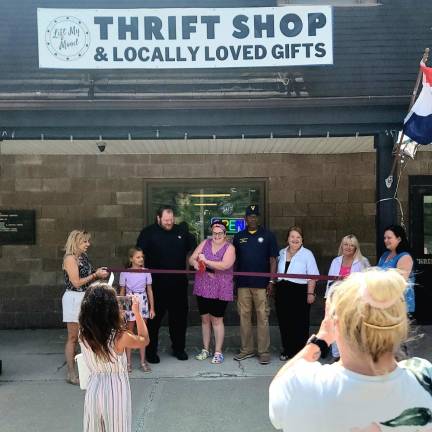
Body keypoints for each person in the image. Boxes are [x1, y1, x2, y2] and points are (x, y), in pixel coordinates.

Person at [269, 269, 432, 432]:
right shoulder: (425, 377)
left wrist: (322, 338)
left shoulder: (302, 386)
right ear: (401, 325)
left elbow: (277, 390)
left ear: (336, 323)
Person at [79, 283, 149, 432]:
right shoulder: (120, 337)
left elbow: (96, 309)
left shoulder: (83, 334)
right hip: (116, 390)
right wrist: (136, 312)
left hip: (93, 388)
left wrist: (103, 299)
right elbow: (145, 339)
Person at [136, 206, 196, 363]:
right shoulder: (148, 233)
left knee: (179, 319)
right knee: (153, 320)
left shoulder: (181, 232)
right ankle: (150, 352)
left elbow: (194, 248)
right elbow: (138, 255)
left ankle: (179, 349)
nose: (169, 223)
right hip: (155, 285)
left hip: (178, 285)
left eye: (171, 220)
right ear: (158, 218)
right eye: (166, 220)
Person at [233, 205, 278, 365]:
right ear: (245, 218)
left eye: (255, 216)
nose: (252, 218)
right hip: (243, 284)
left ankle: (263, 351)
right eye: (249, 216)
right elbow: (235, 261)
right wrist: (234, 283)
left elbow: (273, 259)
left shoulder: (268, 235)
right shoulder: (238, 236)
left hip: (261, 284)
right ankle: (247, 349)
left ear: (258, 218)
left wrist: (272, 280)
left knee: (262, 317)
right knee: (244, 317)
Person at [62, 230, 109, 385]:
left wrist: (99, 276)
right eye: (85, 242)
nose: (88, 244)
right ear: (76, 242)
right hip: (74, 298)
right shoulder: (70, 259)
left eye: (88, 241)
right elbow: (76, 282)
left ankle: (88, 369)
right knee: (73, 337)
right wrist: (95, 275)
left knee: (88, 335)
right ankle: (71, 372)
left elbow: (88, 278)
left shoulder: (84, 257)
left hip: (86, 297)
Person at [189, 220, 236, 364]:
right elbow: (192, 258)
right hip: (203, 286)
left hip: (220, 288)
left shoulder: (230, 248)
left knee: (217, 319)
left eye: (220, 233)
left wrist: (206, 261)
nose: (216, 236)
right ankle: (205, 349)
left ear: (225, 234)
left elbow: (225, 265)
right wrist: (196, 263)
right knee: (205, 319)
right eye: (214, 233)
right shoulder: (205, 243)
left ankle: (218, 351)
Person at [274, 226, 319, 361]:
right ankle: (287, 350)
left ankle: (299, 353)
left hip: (299, 291)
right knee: (284, 321)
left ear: (302, 240)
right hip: (282, 290)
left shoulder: (307, 254)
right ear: (288, 238)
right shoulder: (281, 253)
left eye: (298, 237)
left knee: (300, 322)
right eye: (292, 237)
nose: (295, 239)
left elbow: (313, 276)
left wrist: (310, 293)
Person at [326, 234, 370, 358]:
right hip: (337, 301)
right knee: (337, 328)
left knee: (354, 330)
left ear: (356, 248)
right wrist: (328, 300)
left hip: (355, 302)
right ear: (342, 245)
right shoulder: (336, 261)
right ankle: (337, 356)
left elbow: (368, 283)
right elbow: (330, 282)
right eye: (346, 244)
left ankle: (355, 357)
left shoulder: (363, 262)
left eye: (352, 245)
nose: (348, 247)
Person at [119, 247, 155, 373]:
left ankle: (142, 361)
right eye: (138, 257)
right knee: (129, 331)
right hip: (129, 300)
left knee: (142, 333)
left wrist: (152, 308)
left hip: (143, 300)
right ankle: (128, 363)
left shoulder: (146, 271)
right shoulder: (125, 273)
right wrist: (121, 309)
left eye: (142, 257)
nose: (141, 259)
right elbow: (122, 291)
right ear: (131, 259)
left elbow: (149, 290)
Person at [377, 225, 415, 314]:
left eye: (389, 238)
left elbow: (399, 283)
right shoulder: (384, 255)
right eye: (385, 238)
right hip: (385, 304)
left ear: (399, 239)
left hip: (400, 305)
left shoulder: (405, 257)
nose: (386, 240)